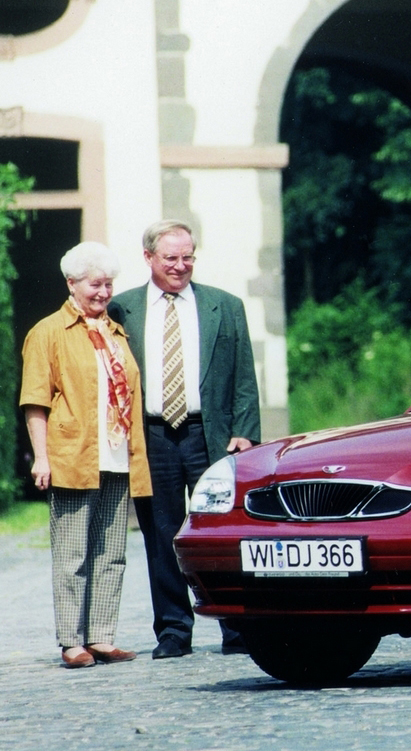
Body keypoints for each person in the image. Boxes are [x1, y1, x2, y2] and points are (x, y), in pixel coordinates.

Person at [108, 220, 261, 658]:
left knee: (223, 529)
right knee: (161, 533)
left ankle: (236, 627)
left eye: (188, 257)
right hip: (152, 436)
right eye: (171, 258)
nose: (180, 266)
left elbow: (244, 374)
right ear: (148, 258)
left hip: (211, 435)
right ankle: (174, 629)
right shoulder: (122, 309)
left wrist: (246, 432)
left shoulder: (224, 306)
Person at [20, 242, 152, 669]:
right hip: (72, 455)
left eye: (109, 284)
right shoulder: (48, 332)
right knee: (72, 553)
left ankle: (101, 636)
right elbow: (35, 401)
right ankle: (72, 641)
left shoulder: (115, 332)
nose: (103, 292)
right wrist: (42, 457)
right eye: (95, 284)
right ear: (71, 284)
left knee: (111, 552)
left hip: (117, 455)